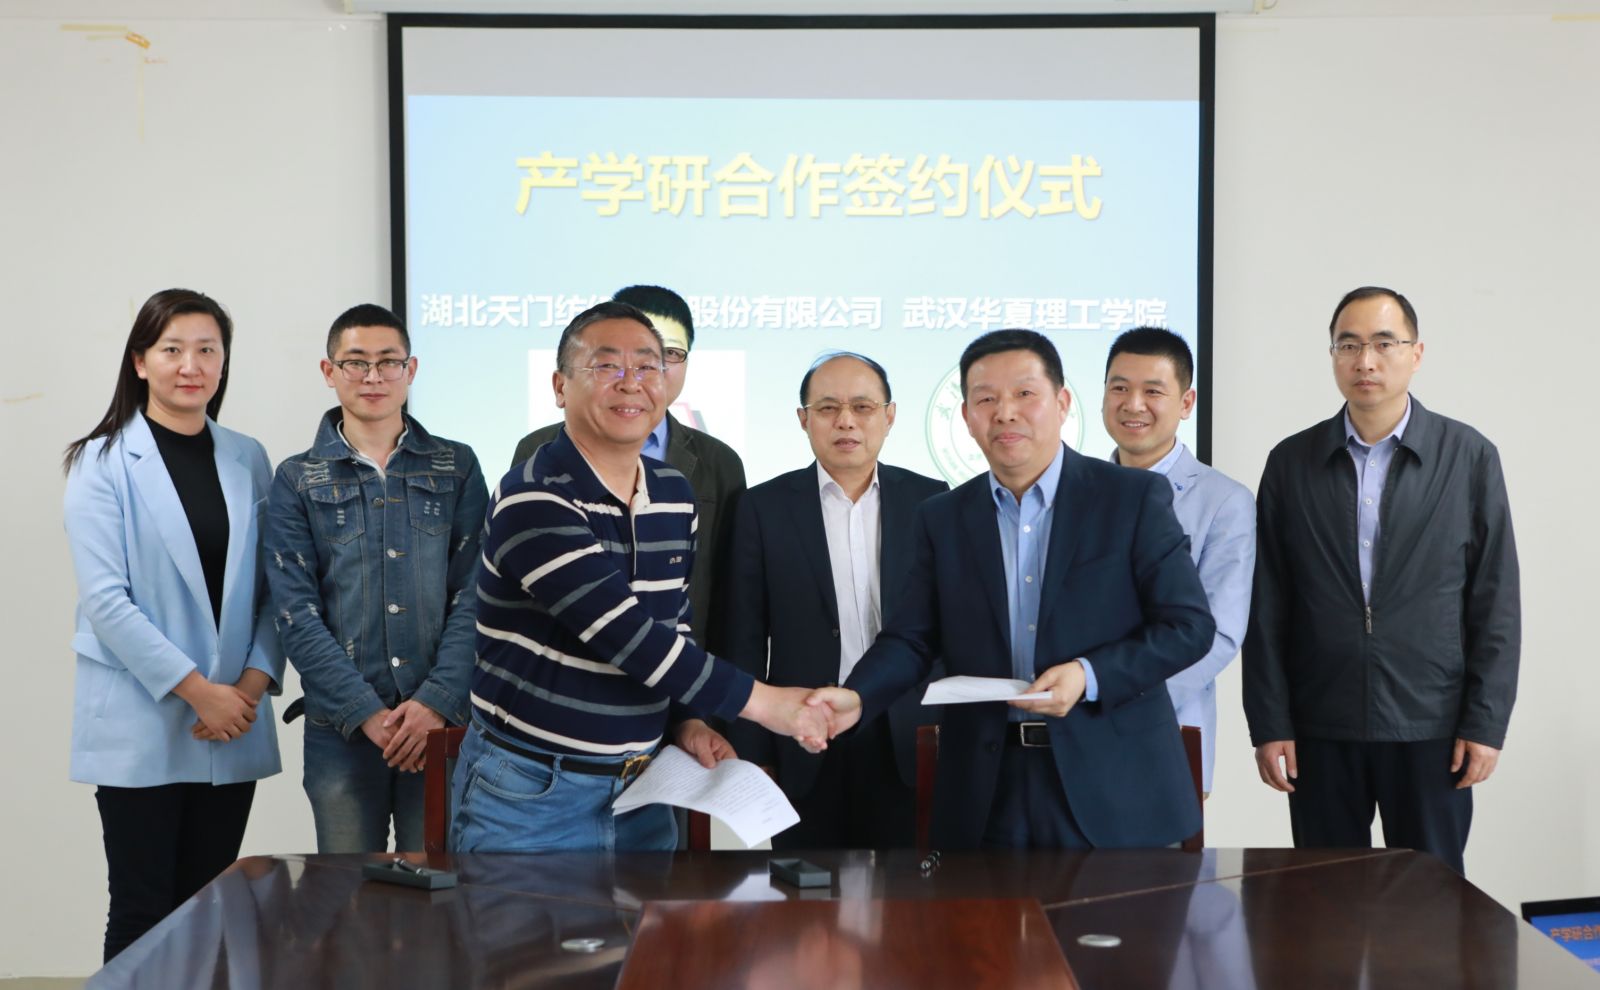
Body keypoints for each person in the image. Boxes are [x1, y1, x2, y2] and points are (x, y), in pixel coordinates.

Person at [807, 329, 1214, 850]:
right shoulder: (942, 517)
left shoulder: (1131, 497)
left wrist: (1088, 675)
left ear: (1062, 403)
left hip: (1114, 784)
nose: (1005, 413)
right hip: (986, 788)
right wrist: (858, 695)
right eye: (986, 399)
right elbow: (911, 638)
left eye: (1025, 394)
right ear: (966, 416)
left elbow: (1188, 627)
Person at [452, 301, 828, 853]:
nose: (632, 383)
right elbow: (626, 636)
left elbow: (674, 623)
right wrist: (770, 705)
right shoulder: (532, 495)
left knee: (650, 920)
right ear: (560, 387)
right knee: (519, 919)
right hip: (532, 793)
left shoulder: (674, 492)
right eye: (607, 365)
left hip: (645, 790)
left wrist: (687, 720)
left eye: (649, 366)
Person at [1243, 286, 1519, 875]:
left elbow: (1495, 601)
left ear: (1416, 353)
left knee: (1431, 905)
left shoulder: (1468, 456)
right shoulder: (1291, 462)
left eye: (1383, 344)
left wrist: (1485, 721)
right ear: (1333, 355)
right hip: (1320, 724)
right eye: (1348, 345)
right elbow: (1267, 606)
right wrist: (1269, 723)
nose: (1364, 361)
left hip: (1430, 725)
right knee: (1323, 903)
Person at [62, 289, 284, 961]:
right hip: (143, 714)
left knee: (210, 907)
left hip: (233, 718)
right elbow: (107, 601)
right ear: (140, 362)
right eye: (172, 349)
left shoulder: (248, 457)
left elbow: (276, 587)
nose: (192, 365)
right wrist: (200, 692)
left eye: (207, 350)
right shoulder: (101, 460)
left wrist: (248, 686)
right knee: (142, 908)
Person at [265, 304, 487, 853]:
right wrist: (365, 711)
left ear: (411, 371)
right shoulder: (297, 478)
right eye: (356, 362)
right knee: (345, 892)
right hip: (340, 729)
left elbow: (478, 595)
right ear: (329, 371)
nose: (373, 377)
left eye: (388, 362)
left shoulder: (456, 466)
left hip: (440, 725)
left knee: (437, 888)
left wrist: (435, 702)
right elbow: (295, 612)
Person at [724, 353, 948, 849]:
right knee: (804, 888)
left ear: (889, 416)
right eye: (827, 408)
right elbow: (743, 637)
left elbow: (943, 628)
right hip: (802, 732)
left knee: (906, 889)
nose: (846, 421)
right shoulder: (763, 507)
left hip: (904, 732)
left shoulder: (932, 501)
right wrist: (754, 749)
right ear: (803, 419)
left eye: (862, 407)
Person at [512, 284, 745, 652]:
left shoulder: (719, 463)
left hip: (683, 672)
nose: (636, 378)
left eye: (666, 355)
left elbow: (725, 593)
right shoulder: (536, 454)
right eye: (613, 362)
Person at [1101, 327, 1254, 796]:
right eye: (1119, 388)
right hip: (1070, 733)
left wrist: (1112, 696)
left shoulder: (1224, 501)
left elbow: (1219, 633)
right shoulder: (1076, 490)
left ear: (1186, 403)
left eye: (1153, 391)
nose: (1133, 405)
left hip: (1168, 730)